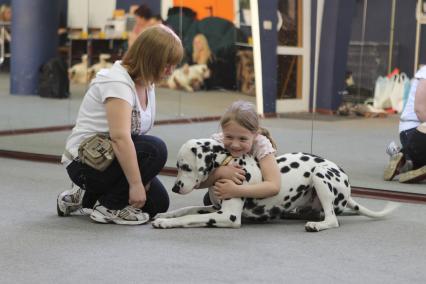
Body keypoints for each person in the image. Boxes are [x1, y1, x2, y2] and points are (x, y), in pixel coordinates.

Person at [57, 25, 184, 225]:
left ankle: (84, 198)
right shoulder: (117, 82)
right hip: (85, 164)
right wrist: (135, 184)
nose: (170, 71)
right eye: (166, 64)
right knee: (156, 148)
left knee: (157, 204)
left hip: (109, 159)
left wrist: (145, 176)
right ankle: (108, 208)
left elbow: (137, 134)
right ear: (149, 59)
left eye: (173, 65)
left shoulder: (147, 83)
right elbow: (120, 138)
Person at [200, 100, 281, 205]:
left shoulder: (261, 145)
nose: (235, 145)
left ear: (255, 134)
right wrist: (219, 173)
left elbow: (274, 186)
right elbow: (198, 183)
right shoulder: (217, 142)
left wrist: (236, 191)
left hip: (254, 195)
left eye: (242, 139)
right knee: (208, 200)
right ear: (223, 132)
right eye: (229, 137)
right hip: (224, 190)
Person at [384, 65, 426, 183]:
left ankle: (405, 160)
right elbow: (420, 110)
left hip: (416, 138)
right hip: (414, 130)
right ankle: (409, 161)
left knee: (417, 156)